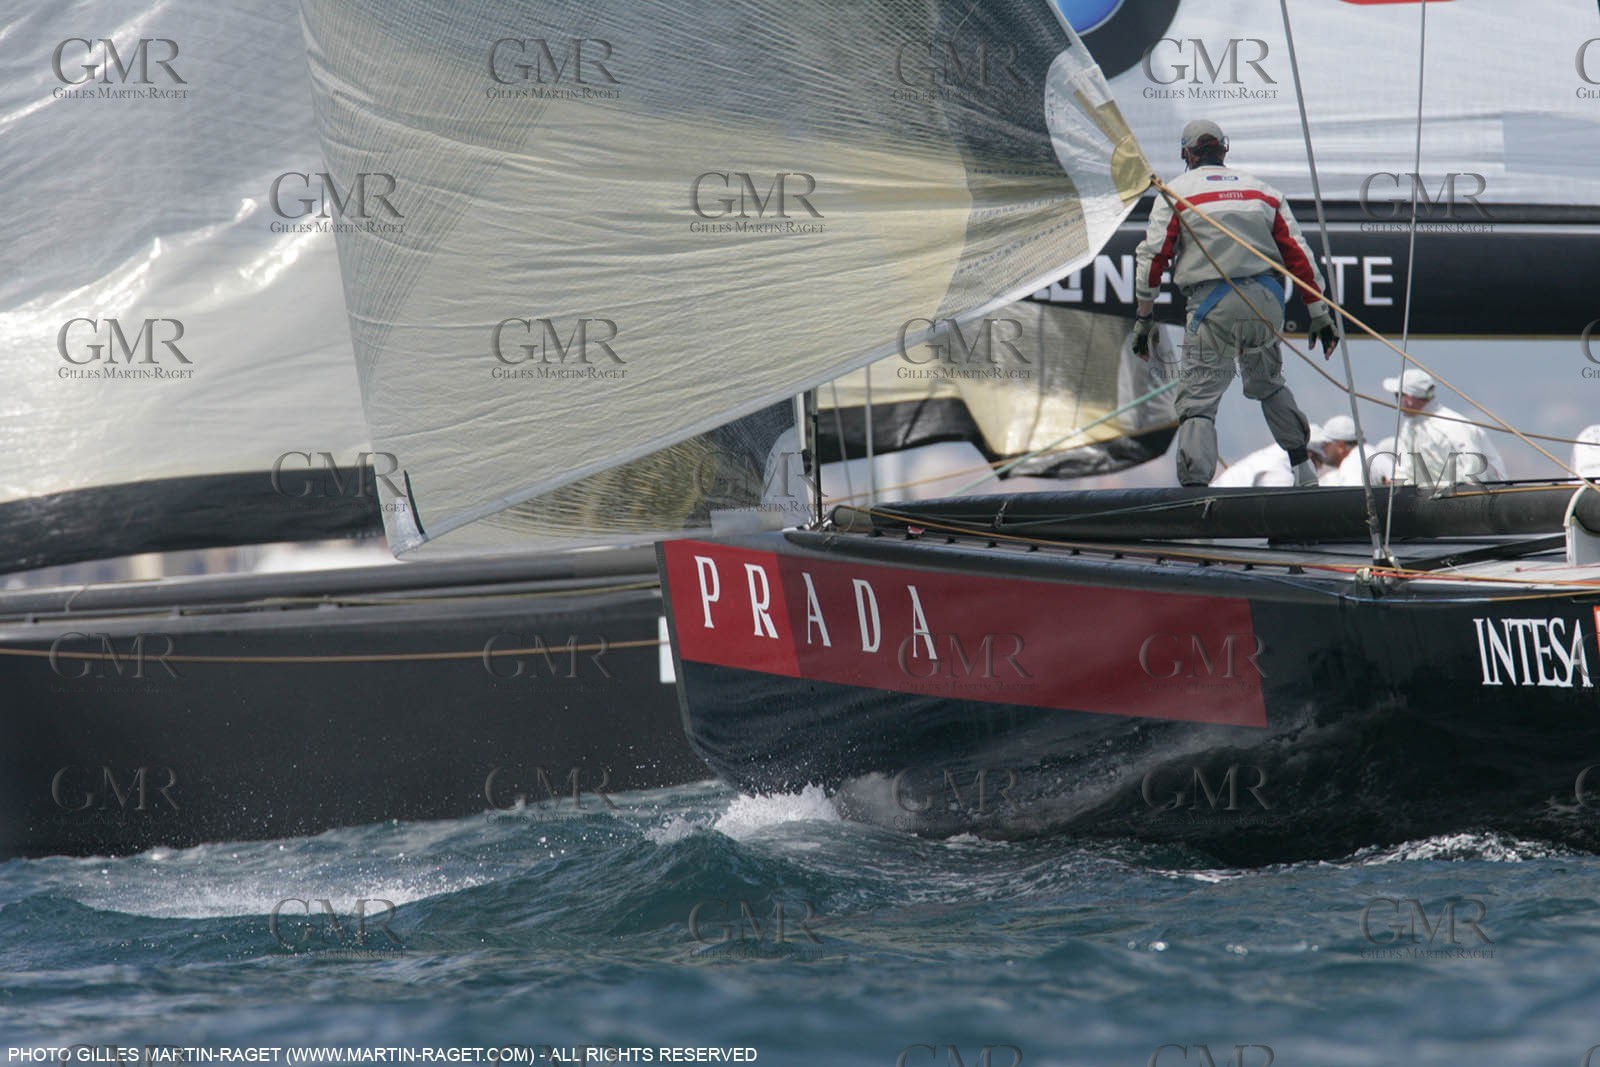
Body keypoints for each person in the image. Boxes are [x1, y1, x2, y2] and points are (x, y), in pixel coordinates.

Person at [1132, 119, 1340, 489]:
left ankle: (1194, 491)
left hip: (1213, 308)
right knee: (1270, 385)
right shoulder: (1264, 193)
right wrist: (1319, 314)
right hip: (1265, 304)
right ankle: (1304, 471)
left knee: (1198, 401)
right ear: (1224, 150)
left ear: (1186, 153)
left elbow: (1152, 259)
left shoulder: (1175, 193)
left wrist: (1144, 320)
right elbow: (1300, 257)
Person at [1386, 368, 1505, 486]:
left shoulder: (1453, 426)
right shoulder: (1408, 428)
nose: (1396, 400)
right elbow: (1406, 471)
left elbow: (1474, 472)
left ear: (1409, 399)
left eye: (1398, 395)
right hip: (1435, 499)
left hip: (1483, 497)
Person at [1212, 424, 1332, 488]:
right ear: (1309, 456)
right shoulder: (1280, 469)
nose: (1320, 468)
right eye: (1319, 462)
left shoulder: (1273, 456)